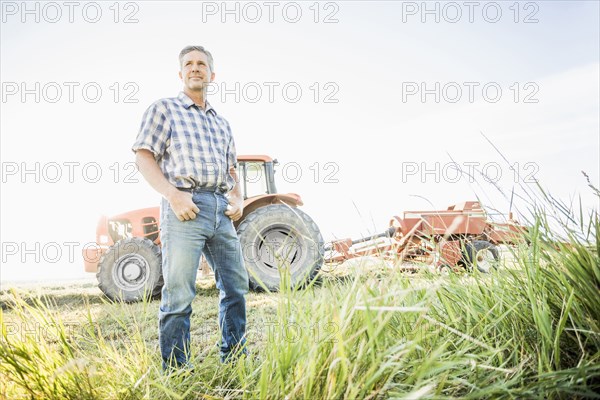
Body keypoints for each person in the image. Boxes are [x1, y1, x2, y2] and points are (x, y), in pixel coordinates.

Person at [132, 45, 249, 370]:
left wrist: (237, 198)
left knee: (236, 286)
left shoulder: (223, 124)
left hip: (219, 210)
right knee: (180, 292)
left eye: (201, 64)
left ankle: (236, 360)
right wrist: (173, 194)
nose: (195, 68)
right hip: (185, 206)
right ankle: (177, 371)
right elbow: (143, 156)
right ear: (180, 72)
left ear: (212, 75)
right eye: (188, 64)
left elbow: (231, 170)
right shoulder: (165, 109)